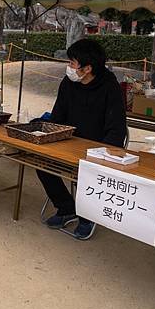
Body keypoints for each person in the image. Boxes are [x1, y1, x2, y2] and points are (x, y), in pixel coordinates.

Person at [37, 39, 127, 240]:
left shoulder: (110, 87)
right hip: (68, 140)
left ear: (87, 68)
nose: (69, 67)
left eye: (72, 63)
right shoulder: (68, 83)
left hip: (98, 146)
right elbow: (57, 116)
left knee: (87, 172)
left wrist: (101, 154)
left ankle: (88, 216)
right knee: (41, 161)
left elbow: (117, 129)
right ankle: (67, 207)